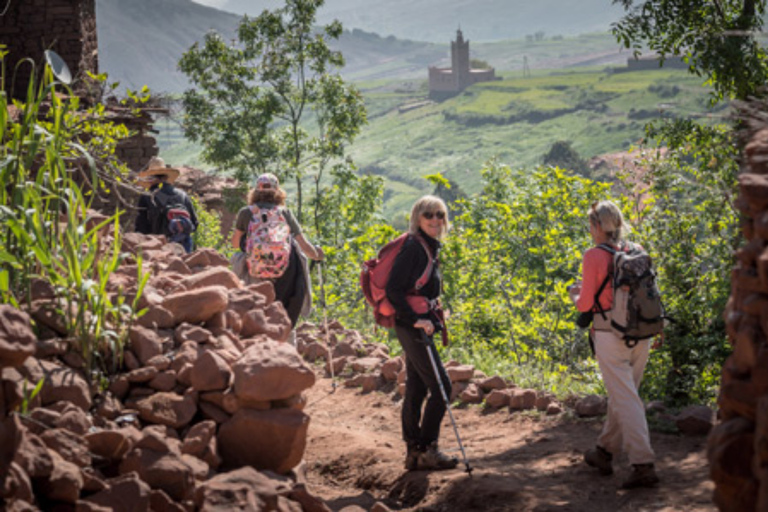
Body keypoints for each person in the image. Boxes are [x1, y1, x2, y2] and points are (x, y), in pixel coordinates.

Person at [568, 200, 659, 489]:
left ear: (597, 226)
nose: (590, 231)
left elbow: (585, 302)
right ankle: (604, 451)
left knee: (627, 399)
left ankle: (643, 463)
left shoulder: (594, 255)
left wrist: (574, 295)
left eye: (590, 225)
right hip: (643, 333)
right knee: (625, 396)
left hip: (610, 334)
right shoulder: (636, 250)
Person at [386, 195, 457, 472]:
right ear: (418, 218)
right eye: (429, 215)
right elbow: (394, 289)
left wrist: (433, 313)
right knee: (442, 387)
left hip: (416, 324)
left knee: (416, 388)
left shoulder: (426, 246)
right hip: (413, 326)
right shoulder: (415, 247)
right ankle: (428, 449)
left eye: (440, 215)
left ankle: (413, 452)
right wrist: (415, 318)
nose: (436, 220)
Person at [230, 173, 324, 331]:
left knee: (238, 258)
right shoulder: (284, 213)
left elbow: (234, 244)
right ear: (278, 191)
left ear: (256, 191)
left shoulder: (246, 212)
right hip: (284, 269)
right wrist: (317, 255)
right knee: (295, 251)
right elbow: (304, 245)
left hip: (255, 269)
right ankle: (285, 340)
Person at [135, 156, 198, 253]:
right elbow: (194, 223)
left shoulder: (147, 196)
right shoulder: (182, 195)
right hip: (184, 247)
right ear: (166, 177)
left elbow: (141, 226)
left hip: (160, 247)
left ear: (150, 178)